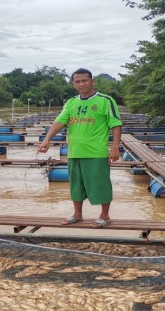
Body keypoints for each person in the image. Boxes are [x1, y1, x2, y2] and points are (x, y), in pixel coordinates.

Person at [37, 68, 122, 228]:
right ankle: (77, 214)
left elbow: (116, 124)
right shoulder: (71, 102)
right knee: (76, 185)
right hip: (74, 152)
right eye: (78, 81)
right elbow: (59, 122)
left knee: (100, 184)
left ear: (92, 81)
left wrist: (115, 146)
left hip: (96, 152)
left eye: (85, 80)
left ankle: (105, 216)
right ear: (73, 84)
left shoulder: (105, 100)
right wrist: (46, 139)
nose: (81, 84)